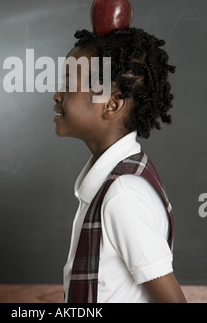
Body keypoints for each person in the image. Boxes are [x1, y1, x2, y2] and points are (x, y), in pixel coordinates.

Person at [53, 27, 186, 303]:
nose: (57, 95)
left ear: (111, 104)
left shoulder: (123, 195)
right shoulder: (110, 181)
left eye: (68, 85)